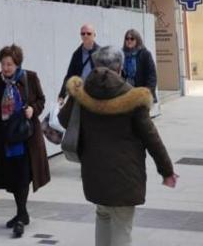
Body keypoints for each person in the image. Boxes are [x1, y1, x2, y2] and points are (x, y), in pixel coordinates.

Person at [59, 46, 177, 246]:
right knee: (122, 227)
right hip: (125, 178)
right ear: (120, 67)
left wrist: (75, 96)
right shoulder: (133, 97)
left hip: (95, 175)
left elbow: (64, 121)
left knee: (102, 215)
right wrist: (167, 171)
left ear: (96, 66)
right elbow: (151, 138)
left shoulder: (83, 93)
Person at [0, 45, 51, 238]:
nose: (6, 68)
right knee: (12, 176)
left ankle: (21, 217)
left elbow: (41, 99)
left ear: (17, 64)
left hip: (26, 137)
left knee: (23, 175)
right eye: (3, 64)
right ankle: (22, 213)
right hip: (5, 138)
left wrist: (33, 110)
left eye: (10, 64)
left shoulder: (30, 77)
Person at [58, 23, 100, 105]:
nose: (85, 36)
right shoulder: (77, 54)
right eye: (83, 33)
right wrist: (62, 96)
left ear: (94, 35)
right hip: (80, 94)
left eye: (88, 33)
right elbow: (69, 76)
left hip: (96, 95)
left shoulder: (101, 52)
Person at [121, 29, 158, 102]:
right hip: (126, 92)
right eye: (127, 38)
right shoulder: (121, 54)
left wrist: (147, 92)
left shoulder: (145, 54)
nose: (129, 41)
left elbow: (151, 75)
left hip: (141, 93)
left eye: (132, 39)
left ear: (137, 40)